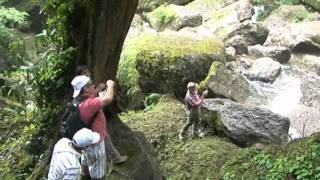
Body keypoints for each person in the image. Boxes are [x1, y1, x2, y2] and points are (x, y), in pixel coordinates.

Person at [75, 65, 128, 165]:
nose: (93, 85)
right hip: (95, 129)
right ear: (85, 88)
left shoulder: (80, 97)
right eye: (91, 84)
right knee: (103, 138)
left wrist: (99, 91)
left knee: (94, 144)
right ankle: (115, 159)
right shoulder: (88, 102)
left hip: (89, 128)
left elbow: (94, 98)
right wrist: (110, 85)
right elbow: (108, 99)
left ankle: (85, 171)